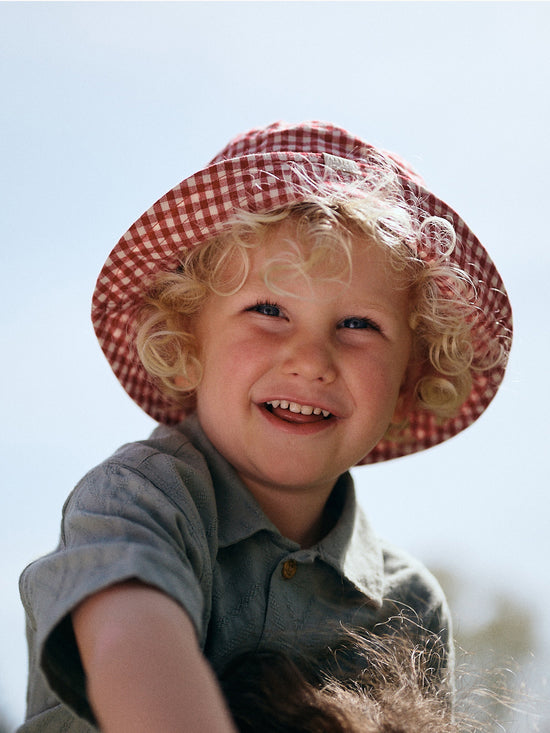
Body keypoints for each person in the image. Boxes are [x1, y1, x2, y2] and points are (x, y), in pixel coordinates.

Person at [18, 121, 512, 732]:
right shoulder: (140, 500)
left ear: (410, 377)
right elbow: (131, 651)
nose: (310, 359)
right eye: (268, 310)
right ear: (187, 340)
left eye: (358, 324)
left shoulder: (408, 606)